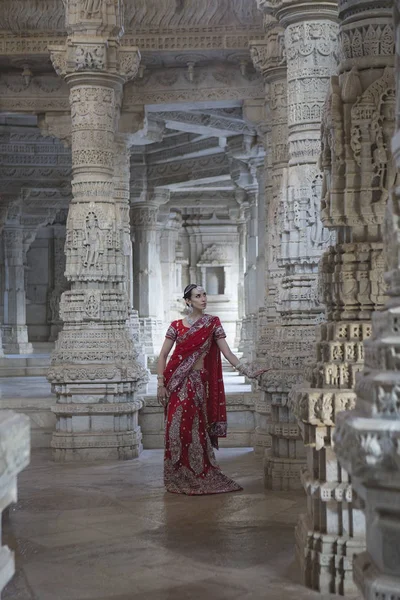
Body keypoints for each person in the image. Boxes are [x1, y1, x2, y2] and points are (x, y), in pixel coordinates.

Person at [157, 283, 265, 496]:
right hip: (175, 383)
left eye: (204, 295)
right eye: (198, 296)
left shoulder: (212, 323)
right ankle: (176, 476)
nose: (203, 299)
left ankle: (198, 472)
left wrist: (248, 371)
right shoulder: (176, 326)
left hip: (196, 385)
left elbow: (227, 353)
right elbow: (163, 356)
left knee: (195, 429)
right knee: (175, 429)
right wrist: (160, 384)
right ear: (188, 301)